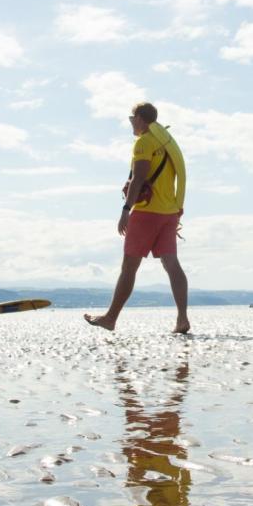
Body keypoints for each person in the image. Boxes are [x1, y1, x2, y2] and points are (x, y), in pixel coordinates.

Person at [86, 102, 190, 334]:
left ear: (141, 119)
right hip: (169, 213)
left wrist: (126, 209)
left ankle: (110, 318)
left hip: (147, 213)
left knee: (129, 267)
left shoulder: (144, 142)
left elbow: (139, 178)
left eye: (132, 117)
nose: (131, 121)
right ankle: (182, 319)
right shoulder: (166, 143)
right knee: (172, 264)